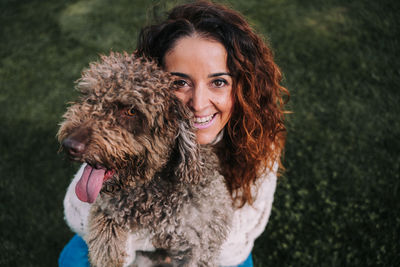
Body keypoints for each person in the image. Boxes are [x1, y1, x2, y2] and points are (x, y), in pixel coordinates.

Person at [58, 1, 289, 266]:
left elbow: (229, 249)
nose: (199, 103)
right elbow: (78, 215)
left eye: (218, 82)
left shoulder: (260, 143)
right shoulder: (133, 137)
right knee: (74, 259)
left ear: (242, 87)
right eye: (179, 82)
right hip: (139, 248)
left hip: (213, 251)